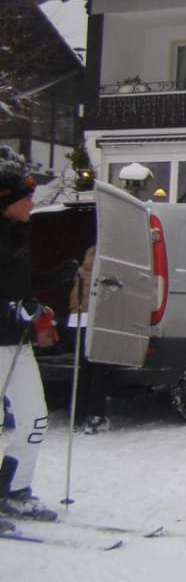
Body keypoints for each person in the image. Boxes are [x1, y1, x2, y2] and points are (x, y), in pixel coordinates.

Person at [0, 170, 78, 523]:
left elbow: (21, 286)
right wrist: (13, 307)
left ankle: (15, 489)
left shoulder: (17, 237)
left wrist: (53, 279)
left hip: (17, 343)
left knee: (35, 417)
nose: (31, 204)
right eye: (24, 199)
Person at [68, 245, 110, 434]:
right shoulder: (104, 272)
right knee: (99, 371)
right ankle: (95, 415)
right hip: (97, 323)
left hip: (77, 322)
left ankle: (77, 415)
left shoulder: (80, 272)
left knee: (83, 370)